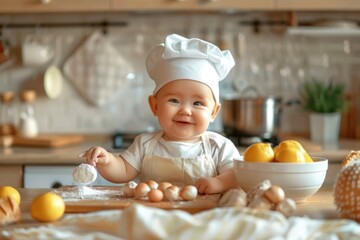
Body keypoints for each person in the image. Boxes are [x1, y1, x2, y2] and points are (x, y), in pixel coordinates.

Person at [79, 34, 241, 194]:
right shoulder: (145, 144)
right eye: (174, 100)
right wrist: (107, 161)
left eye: (197, 103)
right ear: (155, 106)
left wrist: (219, 183)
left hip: (203, 216)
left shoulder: (219, 147)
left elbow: (237, 175)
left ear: (213, 112)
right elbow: (123, 170)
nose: (185, 110)